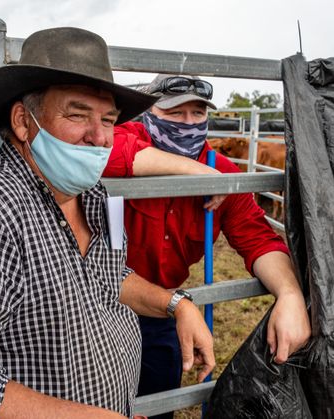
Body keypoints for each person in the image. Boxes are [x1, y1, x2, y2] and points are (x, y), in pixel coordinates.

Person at [0, 30, 218, 419]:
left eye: (108, 120)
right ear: (23, 121)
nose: (99, 137)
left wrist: (176, 304)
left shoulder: (93, 195)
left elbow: (110, 275)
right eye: (77, 114)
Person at [103, 74, 311, 418]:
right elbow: (101, 153)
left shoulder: (222, 171)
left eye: (198, 113)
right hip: (101, 303)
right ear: (149, 113)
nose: (188, 123)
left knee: (158, 398)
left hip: (163, 307)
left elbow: (258, 238)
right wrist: (193, 171)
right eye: (174, 113)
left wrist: (290, 294)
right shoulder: (126, 139)